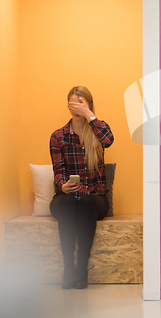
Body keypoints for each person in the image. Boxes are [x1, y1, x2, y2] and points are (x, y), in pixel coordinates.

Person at [49, 86, 114, 289]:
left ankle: (82, 267)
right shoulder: (58, 136)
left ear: (88, 104)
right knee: (68, 202)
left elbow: (109, 140)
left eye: (81, 102)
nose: (76, 106)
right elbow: (58, 169)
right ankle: (69, 267)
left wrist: (90, 116)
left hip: (95, 199)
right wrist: (63, 184)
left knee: (86, 202)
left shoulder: (97, 131)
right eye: (73, 102)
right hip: (67, 197)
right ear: (68, 105)